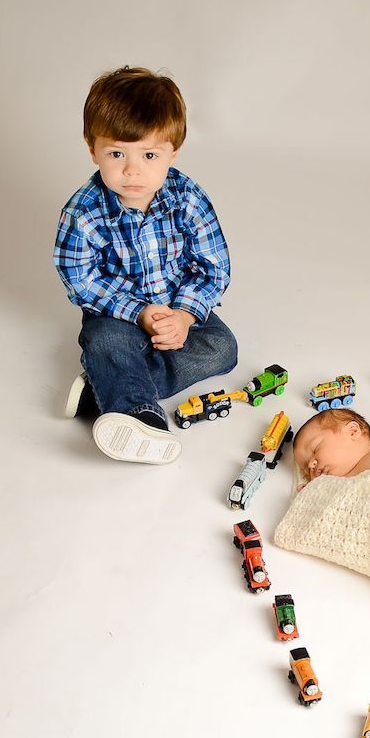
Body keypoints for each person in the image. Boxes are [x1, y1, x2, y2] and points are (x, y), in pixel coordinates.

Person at [54, 66, 237, 464]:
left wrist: (185, 316)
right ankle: (142, 418)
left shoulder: (187, 198)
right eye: (117, 153)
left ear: (173, 152)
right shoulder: (83, 212)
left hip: (175, 306)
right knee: (107, 342)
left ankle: (99, 392)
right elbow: (80, 280)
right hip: (116, 313)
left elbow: (214, 268)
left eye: (149, 155)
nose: (132, 169)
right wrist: (137, 312)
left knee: (221, 349)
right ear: (92, 150)